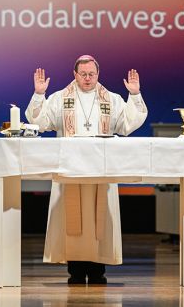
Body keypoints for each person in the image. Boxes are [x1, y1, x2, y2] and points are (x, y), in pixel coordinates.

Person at [25, 55, 148, 284]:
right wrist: (39, 94)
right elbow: (39, 122)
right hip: (70, 172)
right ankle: (76, 271)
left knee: (98, 223)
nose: (88, 78)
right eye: (83, 74)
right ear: (75, 74)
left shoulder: (110, 99)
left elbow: (129, 124)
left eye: (92, 74)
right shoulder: (61, 98)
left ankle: (98, 271)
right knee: (72, 221)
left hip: (101, 171)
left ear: (98, 74)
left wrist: (134, 94)